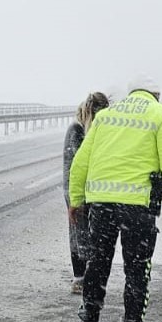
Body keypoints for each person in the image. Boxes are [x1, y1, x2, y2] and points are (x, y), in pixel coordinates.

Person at [68, 75, 162, 322]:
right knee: (137, 273)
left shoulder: (106, 116)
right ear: (156, 94)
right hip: (137, 209)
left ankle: (90, 318)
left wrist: (76, 201)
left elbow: (80, 163)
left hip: (101, 206)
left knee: (98, 263)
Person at [63, 92, 110, 294]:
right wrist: (76, 198)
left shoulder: (103, 129)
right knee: (79, 233)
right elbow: (73, 166)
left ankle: (91, 278)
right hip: (79, 190)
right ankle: (80, 277)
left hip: (98, 190)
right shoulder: (77, 130)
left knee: (95, 236)